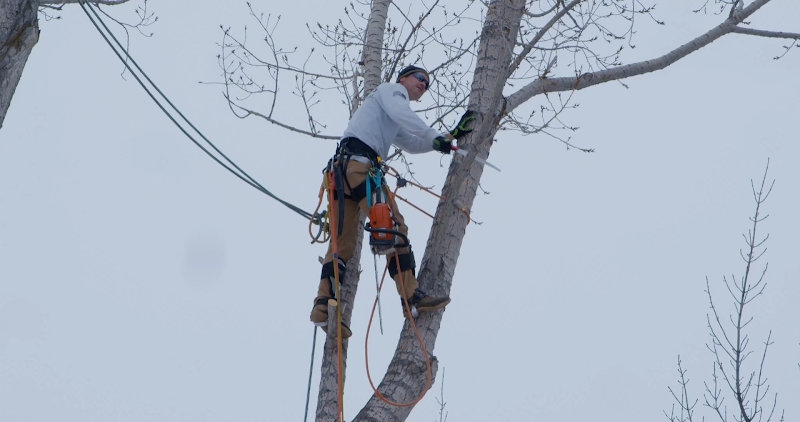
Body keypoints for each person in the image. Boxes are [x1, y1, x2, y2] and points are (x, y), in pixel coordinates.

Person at [311, 65, 475, 338]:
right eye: (420, 78)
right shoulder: (391, 91)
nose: (423, 84)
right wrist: (435, 137)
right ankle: (411, 298)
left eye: (427, 84)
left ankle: (322, 307)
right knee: (393, 228)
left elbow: (412, 143)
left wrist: (449, 137)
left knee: (343, 245)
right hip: (360, 170)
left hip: (341, 174)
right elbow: (404, 115)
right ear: (403, 79)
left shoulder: (387, 111)